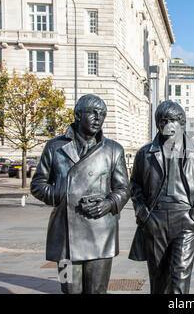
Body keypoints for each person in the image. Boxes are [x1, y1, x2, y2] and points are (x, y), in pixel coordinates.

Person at [31, 94, 130, 294]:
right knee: (69, 290)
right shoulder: (55, 147)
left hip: (101, 235)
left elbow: (124, 188)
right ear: (77, 115)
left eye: (102, 114)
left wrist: (109, 203)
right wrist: (62, 194)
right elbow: (37, 185)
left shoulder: (113, 150)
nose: (98, 118)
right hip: (65, 240)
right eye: (93, 113)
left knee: (97, 290)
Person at [128, 100, 194, 294]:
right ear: (158, 124)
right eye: (164, 120)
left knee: (180, 279)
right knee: (158, 279)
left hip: (185, 219)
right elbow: (135, 186)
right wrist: (144, 215)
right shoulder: (145, 153)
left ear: (182, 123)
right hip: (155, 219)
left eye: (174, 120)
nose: (169, 125)